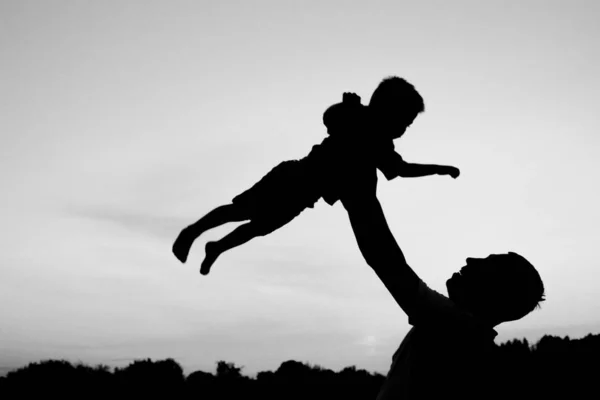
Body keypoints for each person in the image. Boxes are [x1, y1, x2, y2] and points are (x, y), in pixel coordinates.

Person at [172, 77, 460, 275]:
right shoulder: (358, 117)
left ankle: (217, 247)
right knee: (243, 211)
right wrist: (346, 108)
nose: (405, 129)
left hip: (304, 197)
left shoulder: (381, 145)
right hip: (293, 177)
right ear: (387, 111)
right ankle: (192, 232)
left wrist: (439, 169)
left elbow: (398, 170)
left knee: (259, 227)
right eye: (404, 121)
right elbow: (330, 118)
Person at [338, 169, 545, 400]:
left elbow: (385, 260)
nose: (470, 260)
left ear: (492, 292)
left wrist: (359, 195)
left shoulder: (455, 328)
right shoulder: (475, 344)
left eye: (485, 265)